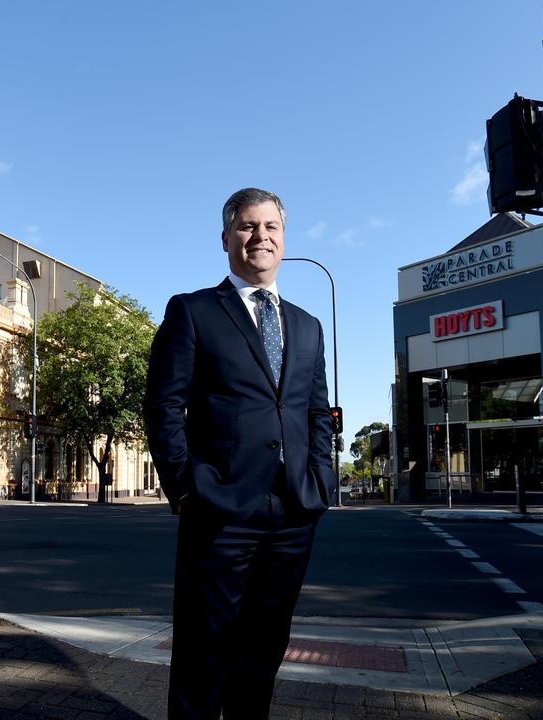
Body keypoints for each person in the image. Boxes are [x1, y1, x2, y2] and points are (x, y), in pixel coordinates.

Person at [144, 187, 338, 719]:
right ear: (227, 237)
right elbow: (163, 406)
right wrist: (184, 484)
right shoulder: (193, 311)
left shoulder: (307, 325)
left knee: (265, 647)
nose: (261, 237)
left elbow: (318, 412)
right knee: (205, 649)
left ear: (284, 237)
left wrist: (321, 479)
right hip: (219, 506)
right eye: (249, 227)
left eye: (271, 227)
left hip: (294, 509)